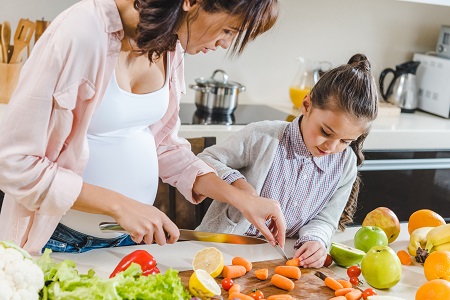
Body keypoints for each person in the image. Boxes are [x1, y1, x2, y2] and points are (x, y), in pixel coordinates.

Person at [0, 0, 287, 255]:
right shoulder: (81, 31)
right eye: (229, 30)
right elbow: (15, 164)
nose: (225, 44)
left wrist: (239, 198)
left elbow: (165, 145)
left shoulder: (171, 43)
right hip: (57, 242)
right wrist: (121, 206)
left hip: (129, 242)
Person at [197, 53, 379, 268]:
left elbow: (325, 218)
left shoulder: (345, 164)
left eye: (345, 141)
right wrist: (241, 187)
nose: (331, 147)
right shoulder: (262, 136)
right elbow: (205, 160)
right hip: (221, 249)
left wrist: (316, 241)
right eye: (326, 131)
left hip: (278, 259)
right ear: (307, 104)